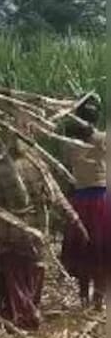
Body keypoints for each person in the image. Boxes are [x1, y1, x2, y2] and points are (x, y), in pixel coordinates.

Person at [0, 131, 87, 330]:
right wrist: (76, 221)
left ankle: (26, 319)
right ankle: (27, 319)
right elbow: (58, 199)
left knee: (16, 285)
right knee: (33, 282)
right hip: (38, 235)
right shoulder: (39, 166)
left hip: (11, 237)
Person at [59, 97, 108, 308]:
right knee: (99, 249)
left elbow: (67, 165)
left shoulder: (70, 143)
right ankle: (96, 296)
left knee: (85, 248)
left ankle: (86, 297)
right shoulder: (101, 138)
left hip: (81, 199)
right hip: (99, 200)